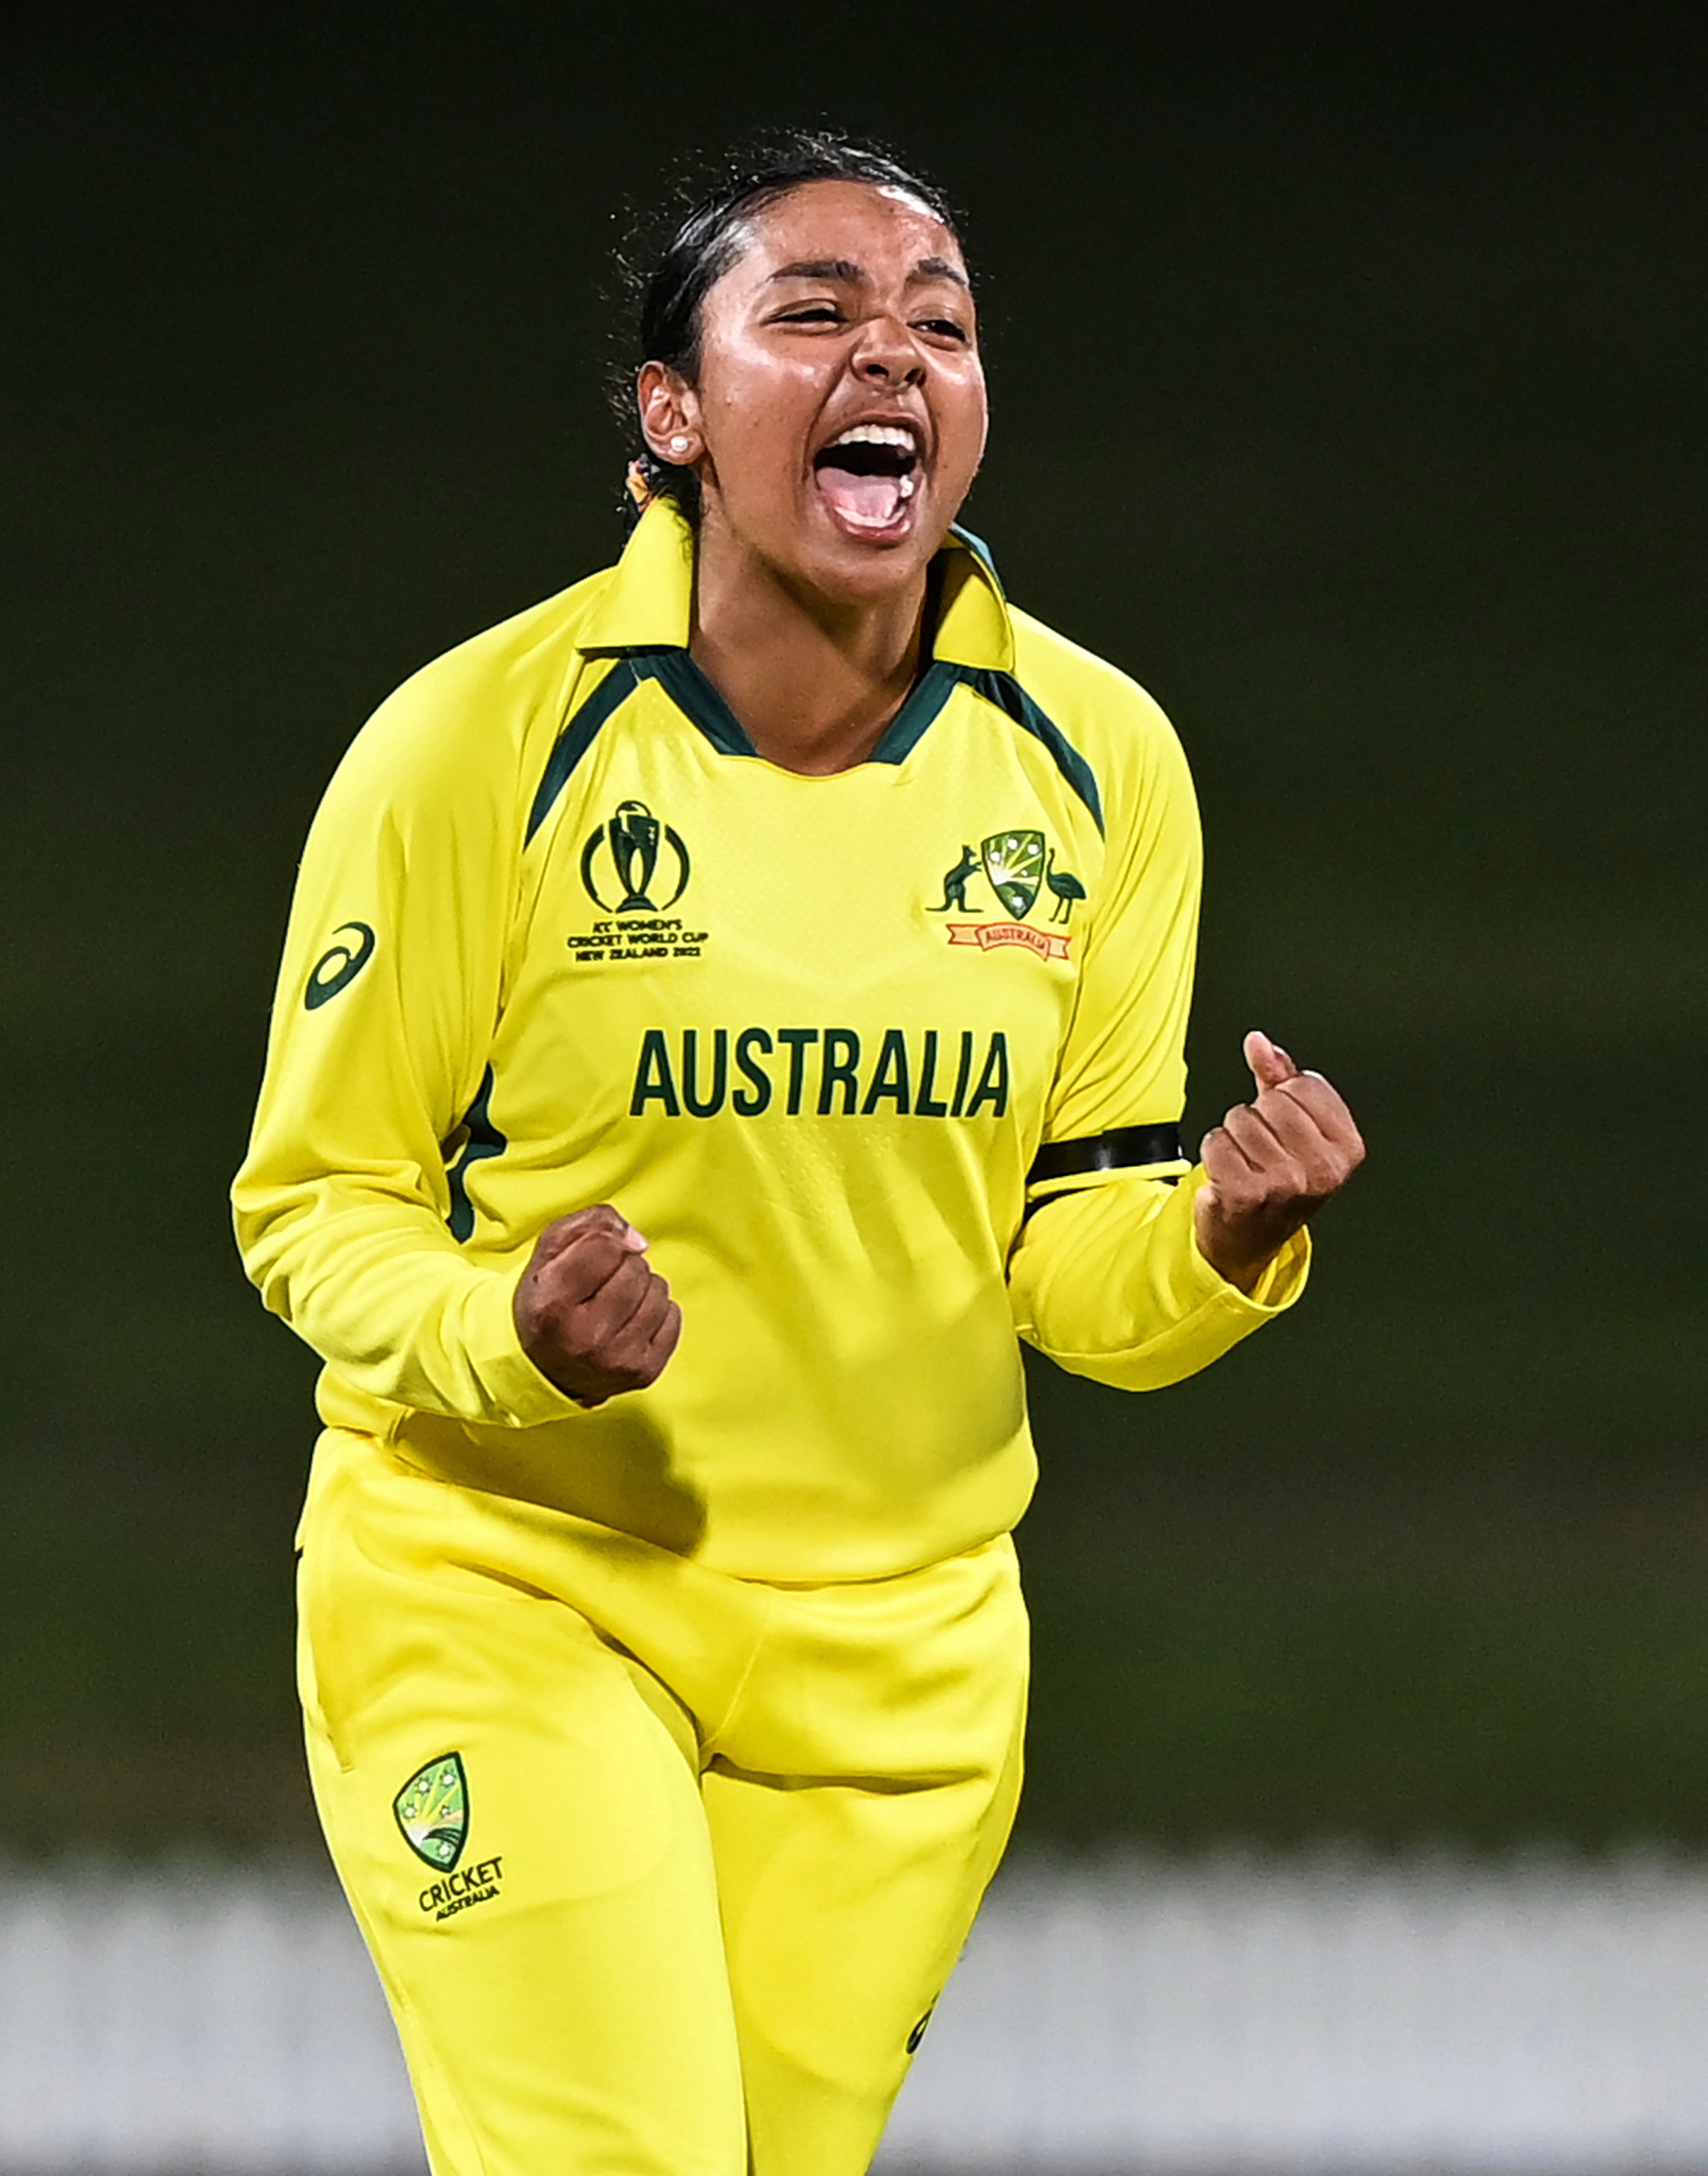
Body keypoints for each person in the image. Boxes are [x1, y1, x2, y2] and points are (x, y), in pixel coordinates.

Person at [232, 133, 1363, 2176]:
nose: (894, 357)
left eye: (939, 320)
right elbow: (315, 1207)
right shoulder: (479, 744)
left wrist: (1209, 1234)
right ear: (674, 414)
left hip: (901, 1667)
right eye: (815, 314)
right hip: (519, 1586)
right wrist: (508, 1331)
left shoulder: (1098, 761)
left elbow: (1057, 1259)